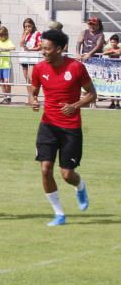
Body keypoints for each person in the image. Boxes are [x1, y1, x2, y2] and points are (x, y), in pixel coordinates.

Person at [27, 29, 96, 226]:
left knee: (67, 174)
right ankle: (59, 214)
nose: (43, 51)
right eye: (42, 47)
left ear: (59, 49)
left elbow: (92, 94)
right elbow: (34, 90)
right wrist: (33, 100)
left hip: (71, 128)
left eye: (47, 48)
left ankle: (80, 186)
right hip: (48, 125)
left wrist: (74, 106)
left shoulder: (76, 68)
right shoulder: (39, 68)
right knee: (45, 169)